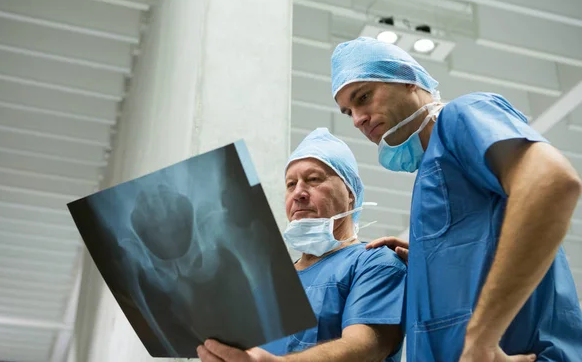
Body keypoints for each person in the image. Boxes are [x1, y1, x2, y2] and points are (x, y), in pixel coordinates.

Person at [331, 36, 582, 361]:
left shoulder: (461, 116)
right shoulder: (432, 171)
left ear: (407, 79)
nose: (357, 119)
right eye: (348, 111)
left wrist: (481, 339)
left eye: (363, 97)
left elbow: (552, 182)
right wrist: (432, 262)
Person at [197, 127, 407, 362]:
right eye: (290, 184)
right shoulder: (268, 284)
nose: (298, 193)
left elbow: (366, 347)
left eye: (313, 179)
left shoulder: (375, 263)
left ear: (350, 193)